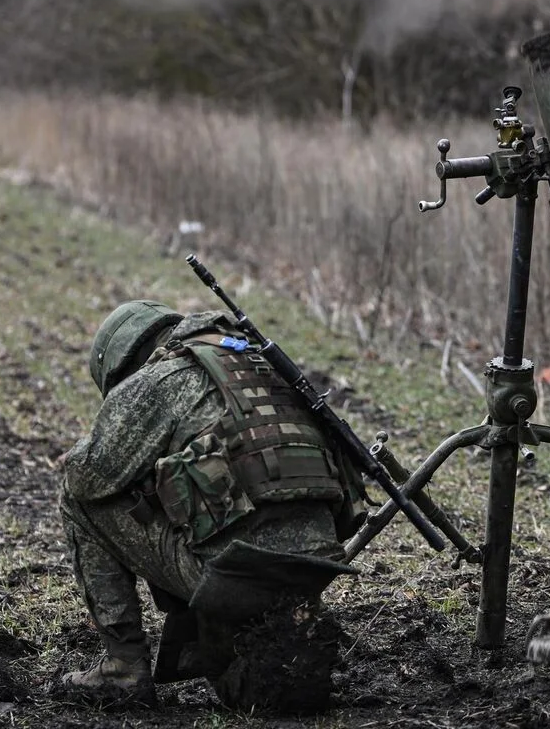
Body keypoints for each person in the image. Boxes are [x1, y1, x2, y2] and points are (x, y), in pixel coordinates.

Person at [56, 300, 368, 713]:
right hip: (319, 560)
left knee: (78, 498)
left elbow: (87, 477)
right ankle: (259, 634)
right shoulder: (256, 358)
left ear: (121, 365)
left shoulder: (155, 378)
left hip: (237, 570)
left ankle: (122, 669)